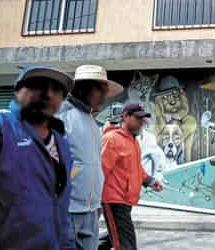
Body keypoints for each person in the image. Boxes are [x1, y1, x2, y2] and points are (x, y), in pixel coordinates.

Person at [0, 65, 75, 250]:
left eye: (56, 90)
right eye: (38, 86)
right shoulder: (1, 129)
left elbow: (60, 206)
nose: (48, 94)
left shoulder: (61, 141)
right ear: (18, 91)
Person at [58, 65, 124, 250]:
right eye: (100, 90)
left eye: (105, 91)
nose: (104, 96)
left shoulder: (93, 123)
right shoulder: (61, 116)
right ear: (84, 88)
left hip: (90, 209)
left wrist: (96, 203)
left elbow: (95, 165)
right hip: (66, 209)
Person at [101, 103, 163, 250]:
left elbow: (135, 169)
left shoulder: (133, 141)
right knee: (126, 245)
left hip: (126, 200)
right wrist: (95, 201)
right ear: (125, 116)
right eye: (137, 118)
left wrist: (150, 181)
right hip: (114, 200)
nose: (141, 122)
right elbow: (100, 171)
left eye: (143, 119)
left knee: (117, 238)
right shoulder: (112, 139)